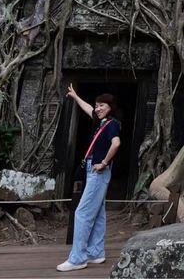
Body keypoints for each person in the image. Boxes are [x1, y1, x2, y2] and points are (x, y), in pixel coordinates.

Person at [57, 84, 121, 272]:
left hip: (98, 171)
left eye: (102, 105)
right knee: (98, 213)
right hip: (94, 170)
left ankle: (77, 258)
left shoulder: (112, 124)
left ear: (111, 107)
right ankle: (96, 252)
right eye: (97, 105)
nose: (98, 108)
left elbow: (116, 144)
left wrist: (104, 162)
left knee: (82, 213)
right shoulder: (102, 122)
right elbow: (89, 109)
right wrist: (76, 97)